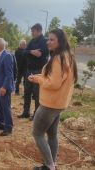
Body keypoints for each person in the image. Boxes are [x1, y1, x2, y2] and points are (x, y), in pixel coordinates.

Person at [28, 28, 78, 170]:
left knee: (37, 133)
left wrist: (38, 79)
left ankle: (50, 166)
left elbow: (54, 84)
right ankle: (51, 164)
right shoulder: (67, 55)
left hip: (50, 104)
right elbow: (55, 79)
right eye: (48, 39)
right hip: (59, 103)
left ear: (60, 41)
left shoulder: (58, 58)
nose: (48, 42)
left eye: (51, 39)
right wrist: (39, 77)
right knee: (52, 134)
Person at [18, 23, 49, 120]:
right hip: (29, 70)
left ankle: (37, 115)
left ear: (39, 31)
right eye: (31, 31)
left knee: (37, 94)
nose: (31, 33)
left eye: (33, 31)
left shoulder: (45, 41)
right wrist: (31, 51)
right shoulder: (32, 41)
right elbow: (24, 52)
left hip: (39, 70)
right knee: (27, 92)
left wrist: (30, 52)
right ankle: (26, 112)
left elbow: (40, 54)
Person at [0, 38, 15, 136]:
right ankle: (0, 124)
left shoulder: (7, 56)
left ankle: (8, 127)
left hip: (3, 88)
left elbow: (9, 74)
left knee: (5, 107)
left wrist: (4, 87)